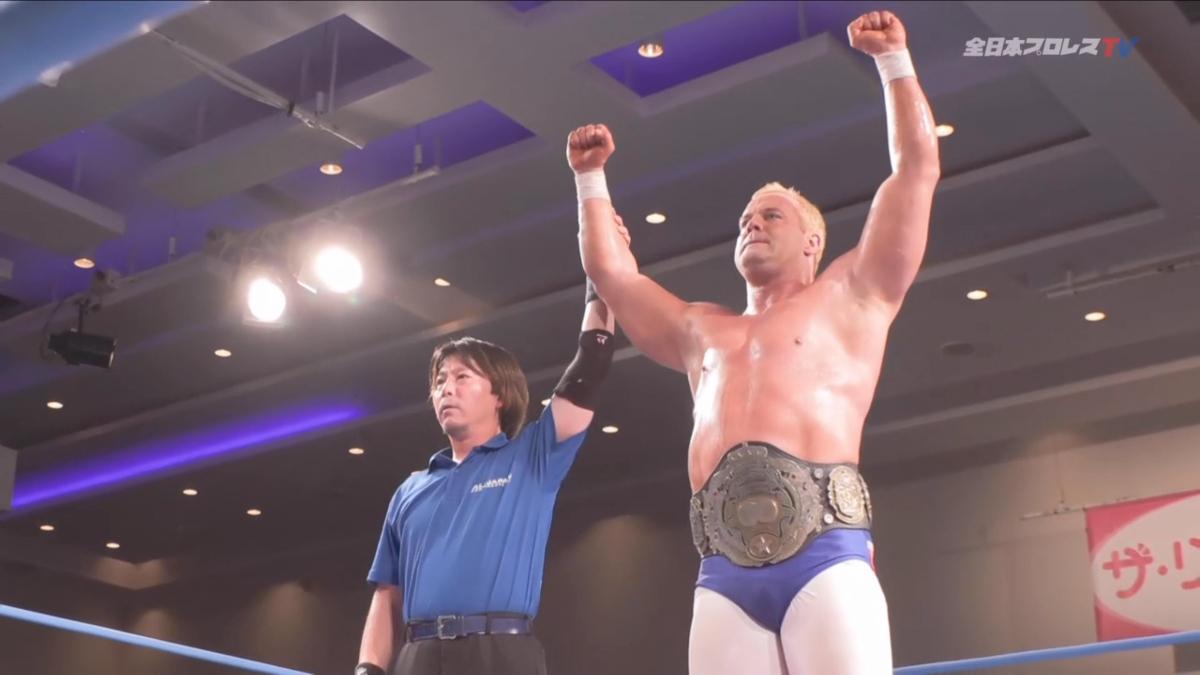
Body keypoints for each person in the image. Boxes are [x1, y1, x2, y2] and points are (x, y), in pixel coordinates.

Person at [566, 11, 940, 675]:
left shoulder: (852, 293)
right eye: (744, 219)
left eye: (772, 215)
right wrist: (589, 179)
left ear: (812, 240)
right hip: (722, 574)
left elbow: (915, 170)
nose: (752, 224)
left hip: (826, 554)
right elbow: (613, 274)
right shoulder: (700, 330)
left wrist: (894, 62)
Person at [353, 239, 628, 675]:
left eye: (463, 376)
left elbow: (591, 362)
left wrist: (601, 277)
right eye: (440, 380)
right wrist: (369, 668)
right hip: (417, 656)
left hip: (500, 654)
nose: (446, 387)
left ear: (499, 393)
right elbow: (386, 596)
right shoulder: (410, 490)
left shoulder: (533, 456)